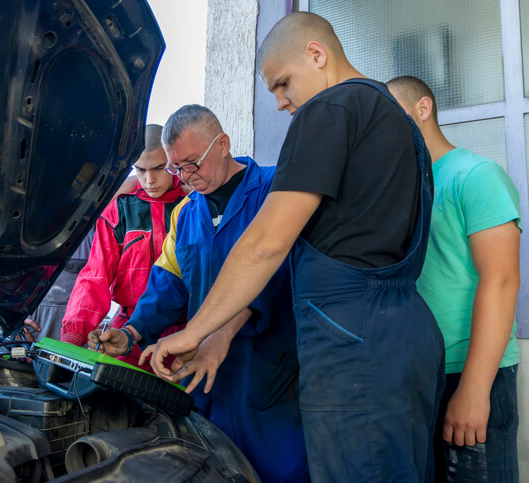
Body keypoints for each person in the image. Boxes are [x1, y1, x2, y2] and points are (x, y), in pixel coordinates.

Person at [140, 13, 445, 482]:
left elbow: (266, 243)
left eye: (283, 84)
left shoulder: (332, 107)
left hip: (353, 342)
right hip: (403, 337)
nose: (282, 103)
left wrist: (191, 333)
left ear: (317, 55)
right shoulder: (398, 120)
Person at [89, 105, 308, 482]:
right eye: (177, 168)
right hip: (205, 379)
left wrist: (220, 335)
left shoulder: (276, 192)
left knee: (278, 469)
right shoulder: (186, 213)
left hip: (270, 373)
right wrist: (131, 333)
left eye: (192, 163)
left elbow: (282, 272)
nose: (185, 176)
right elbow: (168, 283)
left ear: (222, 144)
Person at [387, 75, 522, 483]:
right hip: (418, 375)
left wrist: (475, 389)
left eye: (390, 115)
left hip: (472, 373)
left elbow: (501, 281)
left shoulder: (476, 175)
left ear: (422, 110)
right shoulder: (403, 189)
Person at [58, 124, 186, 370]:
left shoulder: (193, 204)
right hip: (127, 335)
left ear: (173, 158)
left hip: (185, 334)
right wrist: (74, 334)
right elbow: (95, 275)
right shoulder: (118, 210)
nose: (149, 180)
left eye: (159, 168)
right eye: (140, 170)